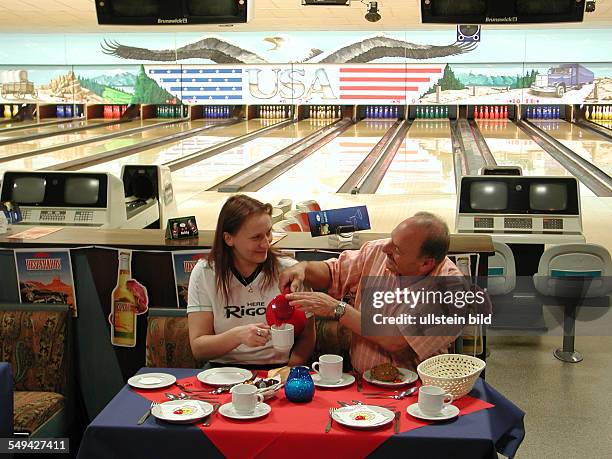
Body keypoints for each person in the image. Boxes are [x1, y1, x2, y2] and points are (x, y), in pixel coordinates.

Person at [281, 211, 474, 373]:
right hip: (361, 382)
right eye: (391, 238)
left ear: (426, 263)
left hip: (417, 391)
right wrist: (303, 268)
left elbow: (395, 339)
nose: (385, 248)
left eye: (396, 248)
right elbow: (334, 273)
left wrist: (336, 309)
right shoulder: (377, 252)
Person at [187, 194, 315, 368]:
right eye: (256, 238)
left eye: (268, 233)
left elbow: (308, 335)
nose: (266, 244)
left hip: (278, 368)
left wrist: (290, 370)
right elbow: (199, 349)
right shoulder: (205, 272)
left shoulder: (290, 270)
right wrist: (237, 336)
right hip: (222, 371)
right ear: (228, 238)